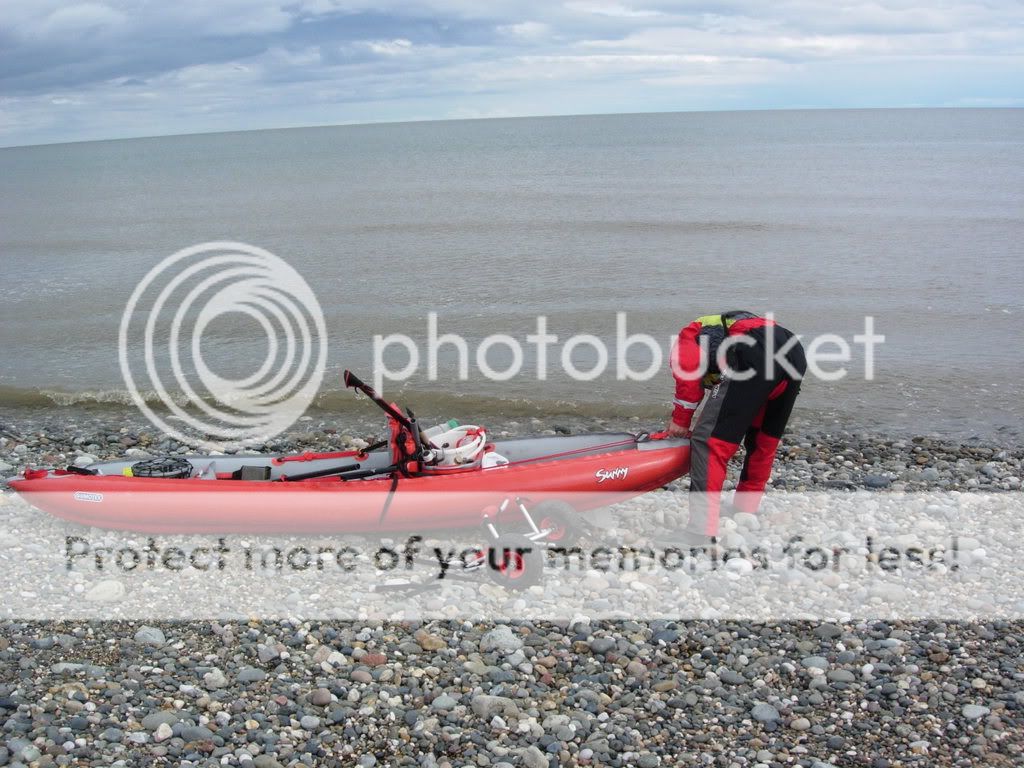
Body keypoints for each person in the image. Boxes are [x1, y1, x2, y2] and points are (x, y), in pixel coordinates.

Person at [666, 311, 806, 543]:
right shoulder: (720, 333)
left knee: (708, 444)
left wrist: (680, 421)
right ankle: (746, 509)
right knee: (764, 439)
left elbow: (688, 380)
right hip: (792, 350)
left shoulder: (688, 337)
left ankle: (699, 531)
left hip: (755, 352)